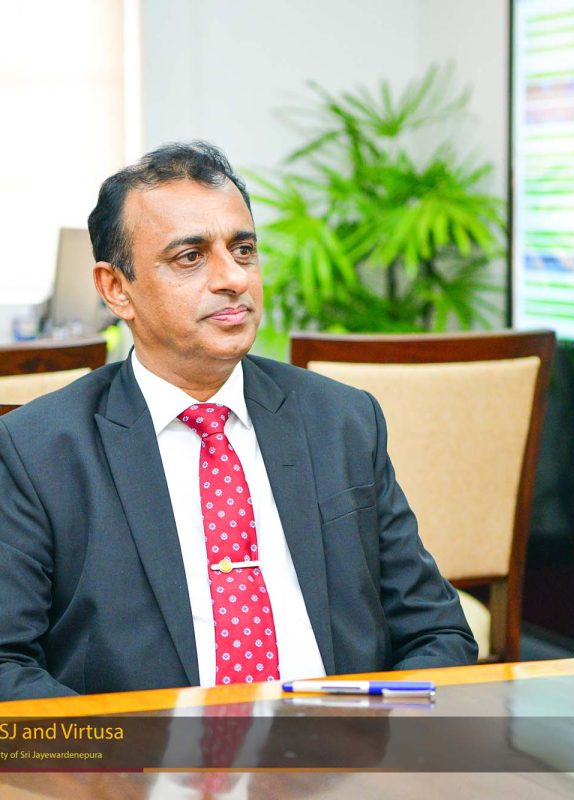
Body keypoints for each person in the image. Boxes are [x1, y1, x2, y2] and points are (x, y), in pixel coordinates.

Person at [0, 142, 477, 700]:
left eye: (243, 250)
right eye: (190, 257)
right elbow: (7, 662)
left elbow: (437, 631)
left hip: (340, 742)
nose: (233, 278)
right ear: (116, 289)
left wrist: (376, 733)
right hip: (148, 751)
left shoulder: (343, 421)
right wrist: (127, 753)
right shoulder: (38, 450)